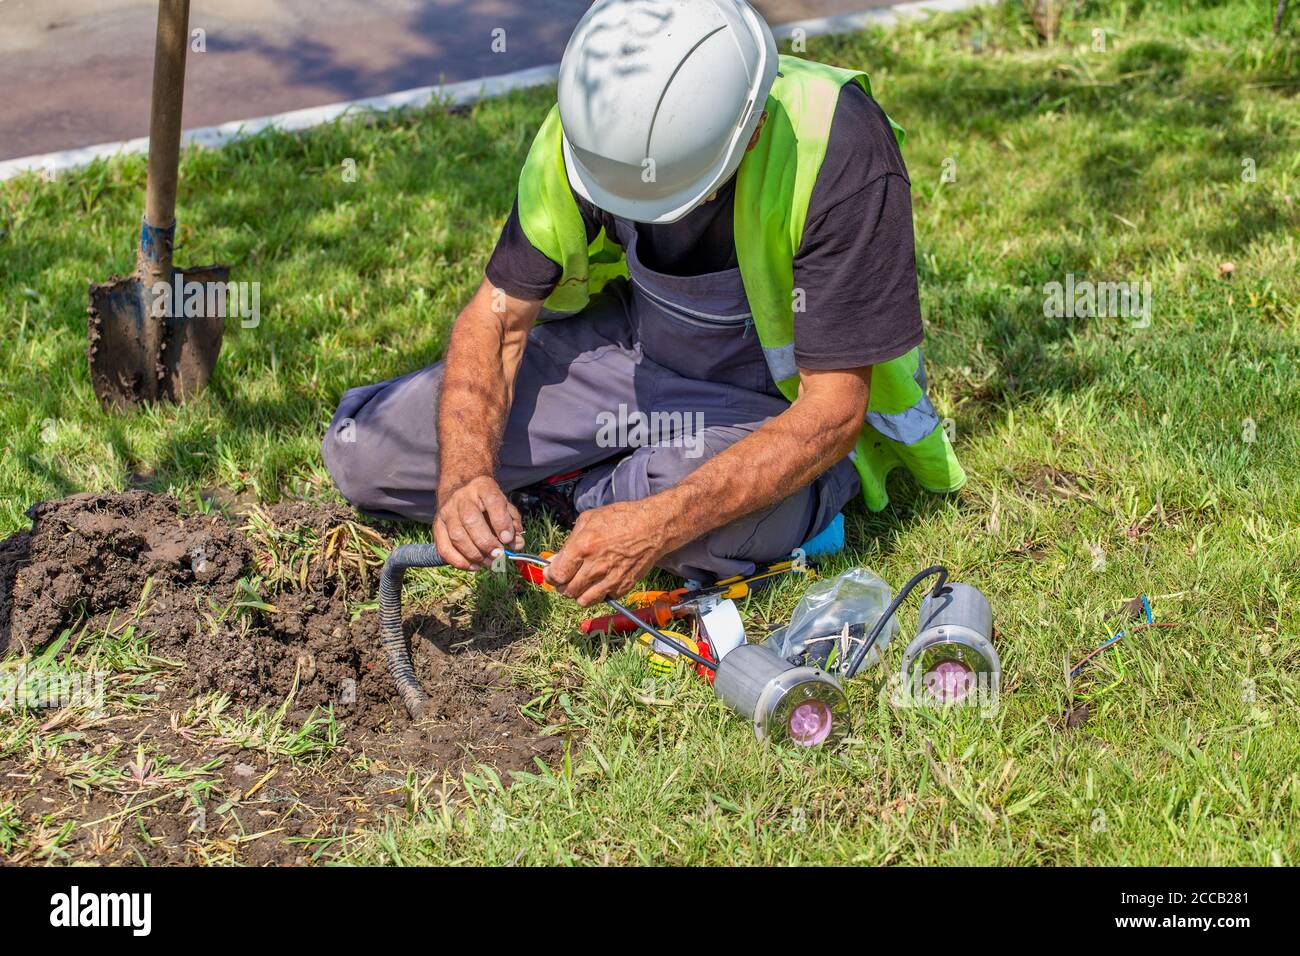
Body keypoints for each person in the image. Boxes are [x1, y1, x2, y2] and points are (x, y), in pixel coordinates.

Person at [322, 0, 964, 606]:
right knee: (369, 454)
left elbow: (832, 412)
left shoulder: (840, 149)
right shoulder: (598, 124)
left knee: (697, 528)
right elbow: (497, 323)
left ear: (753, 130)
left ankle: (617, 487)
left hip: (778, 404)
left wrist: (658, 523)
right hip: (640, 351)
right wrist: (465, 476)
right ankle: (599, 483)